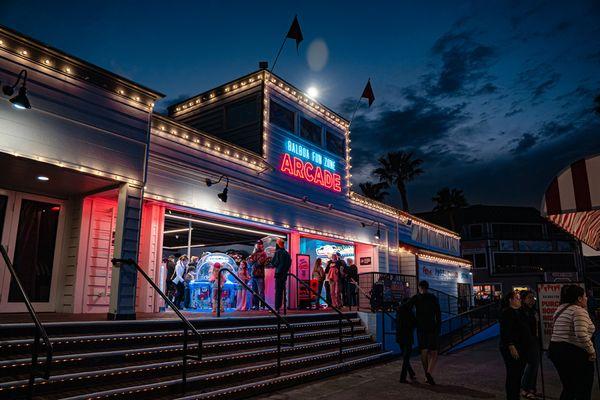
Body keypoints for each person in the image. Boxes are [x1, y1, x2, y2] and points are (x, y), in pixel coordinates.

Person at [549, 284, 596, 400]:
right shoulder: (579, 311)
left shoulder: (561, 309)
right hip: (573, 352)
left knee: (569, 387)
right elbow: (581, 333)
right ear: (579, 298)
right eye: (585, 296)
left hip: (556, 350)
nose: (587, 298)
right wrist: (592, 351)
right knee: (583, 387)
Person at [499, 290, 531, 400]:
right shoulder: (507, 312)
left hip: (522, 347)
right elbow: (506, 331)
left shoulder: (521, 311)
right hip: (512, 348)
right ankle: (512, 396)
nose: (519, 300)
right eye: (517, 298)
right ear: (510, 300)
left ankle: (515, 394)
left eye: (519, 298)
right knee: (513, 373)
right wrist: (511, 346)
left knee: (518, 373)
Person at [411, 280, 441, 385]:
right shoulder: (433, 298)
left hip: (421, 328)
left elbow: (406, 307)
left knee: (423, 351)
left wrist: (414, 321)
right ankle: (428, 373)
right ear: (427, 287)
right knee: (434, 353)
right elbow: (438, 313)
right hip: (432, 327)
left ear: (419, 287)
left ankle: (426, 374)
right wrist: (438, 327)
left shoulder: (416, 298)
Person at [519, 291, 541, 399]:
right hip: (528, 342)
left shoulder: (534, 311)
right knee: (532, 365)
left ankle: (532, 388)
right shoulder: (522, 312)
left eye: (533, 297)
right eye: (529, 298)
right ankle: (525, 388)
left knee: (535, 365)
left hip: (536, 341)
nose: (532, 300)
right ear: (523, 299)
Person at [396, 298, 417, 383]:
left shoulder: (399, 312)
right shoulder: (410, 313)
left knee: (405, 357)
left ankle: (411, 372)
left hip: (399, 337)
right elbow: (414, 323)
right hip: (407, 337)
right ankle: (402, 377)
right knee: (406, 358)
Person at [271, 238, 291, 313]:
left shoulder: (278, 252)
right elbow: (289, 263)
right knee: (283, 290)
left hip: (278, 274)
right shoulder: (287, 253)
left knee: (278, 291)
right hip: (284, 274)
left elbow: (274, 263)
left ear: (278, 244)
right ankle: (283, 307)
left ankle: (277, 308)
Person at [249, 241, 267, 310]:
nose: (258, 245)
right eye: (257, 244)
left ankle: (262, 306)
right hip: (253, 275)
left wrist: (253, 261)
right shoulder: (254, 253)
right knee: (254, 292)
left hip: (260, 275)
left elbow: (259, 263)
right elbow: (249, 262)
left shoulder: (263, 253)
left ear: (261, 245)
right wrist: (253, 262)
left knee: (261, 292)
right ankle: (256, 306)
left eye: (259, 244)